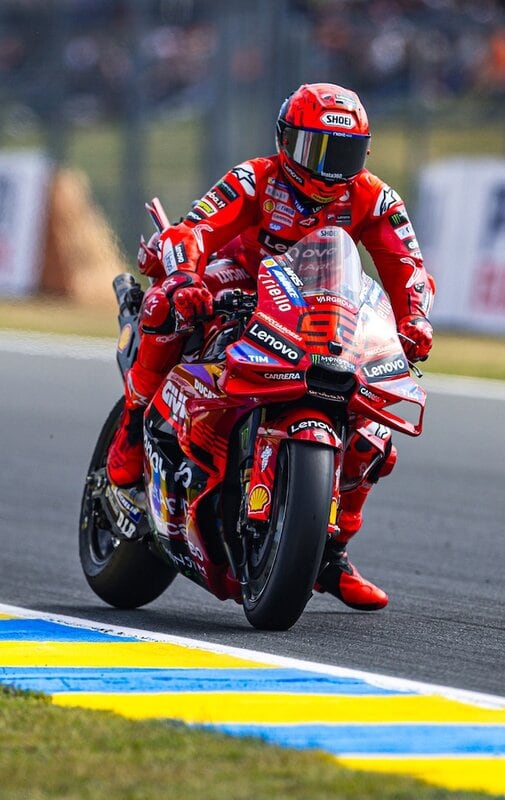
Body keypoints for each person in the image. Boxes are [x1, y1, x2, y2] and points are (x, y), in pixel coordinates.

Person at [105, 82, 435, 612]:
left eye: (343, 154)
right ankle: (132, 422)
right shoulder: (255, 178)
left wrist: (414, 318)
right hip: (240, 281)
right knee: (170, 303)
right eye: (316, 151)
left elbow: (408, 268)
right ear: (287, 141)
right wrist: (188, 274)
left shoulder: (376, 197)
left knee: (375, 433)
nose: (329, 169)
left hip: (318, 308)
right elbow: (195, 228)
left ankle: (330, 551)